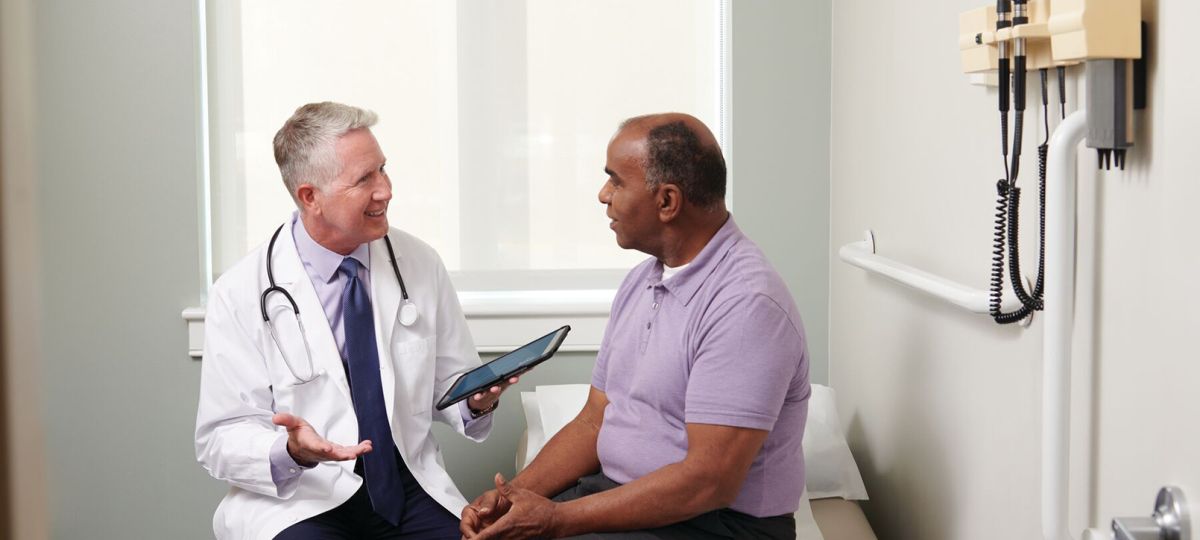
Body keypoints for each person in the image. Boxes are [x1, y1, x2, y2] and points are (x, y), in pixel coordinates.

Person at [460, 113, 811, 540]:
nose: (603, 195)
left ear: (667, 202)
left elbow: (709, 482)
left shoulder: (746, 305)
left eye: (616, 181)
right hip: (621, 495)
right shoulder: (643, 281)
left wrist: (557, 519)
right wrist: (512, 499)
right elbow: (595, 421)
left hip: (714, 524)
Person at [196, 102, 516, 540]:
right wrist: (292, 451)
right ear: (311, 197)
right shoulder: (239, 292)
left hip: (407, 486)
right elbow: (219, 437)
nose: (386, 190)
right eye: (365, 179)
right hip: (302, 496)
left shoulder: (419, 263)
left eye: (383, 170)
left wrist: (476, 400)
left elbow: (451, 382)